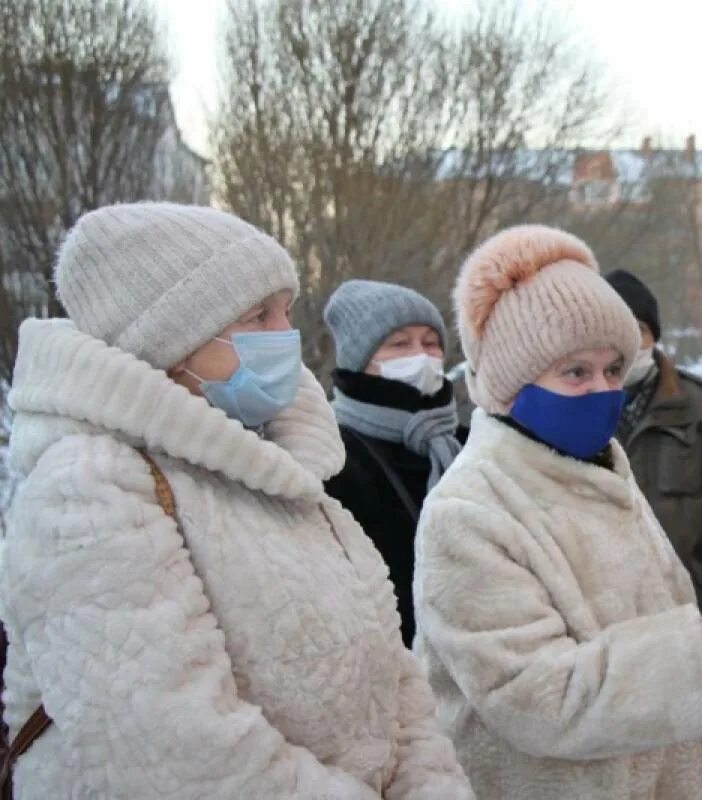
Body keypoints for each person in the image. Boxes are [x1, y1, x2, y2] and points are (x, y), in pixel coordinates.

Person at [0, 204, 472, 799]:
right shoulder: (89, 491)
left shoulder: (285, 466)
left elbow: (394, 678)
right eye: (257, 316)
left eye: (285, 310)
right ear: (173, 340)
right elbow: (175, 750)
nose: (286, 339)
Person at [413, 225, 702, 799]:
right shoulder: (467, 512)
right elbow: (534, 697)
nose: (602, 390)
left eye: (613, 370)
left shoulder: (600, 470)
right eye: (575, 372)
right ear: (511, 383)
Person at [604, 269, 702, 687]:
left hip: (688, 617)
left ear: (654, 335)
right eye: (614, 328)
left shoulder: (701, 410)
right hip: (603, 627)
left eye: (639, 328)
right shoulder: (574, 409)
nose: (628, 343)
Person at [323, 279, 466, 647]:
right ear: (359, 359)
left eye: (431, 343)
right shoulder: (331, 455)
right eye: (400, 344)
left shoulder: (468, 442)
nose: (421, 356)